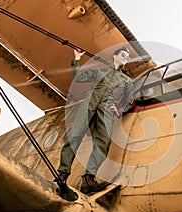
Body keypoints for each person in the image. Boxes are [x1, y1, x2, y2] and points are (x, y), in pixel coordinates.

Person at [56, 47, 134, 194]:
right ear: (115, 56)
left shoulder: (127, 81)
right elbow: (79, 77)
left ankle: (88, 179)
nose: (126, 58)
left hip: (107, 108)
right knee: (75, 135)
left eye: (128, 57)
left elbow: (130, 101)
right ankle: (63, 172)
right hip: (90, 102)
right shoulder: (100, 71)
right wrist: (77, 58)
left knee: (103, 142)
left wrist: (120, 109)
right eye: (123, 55)